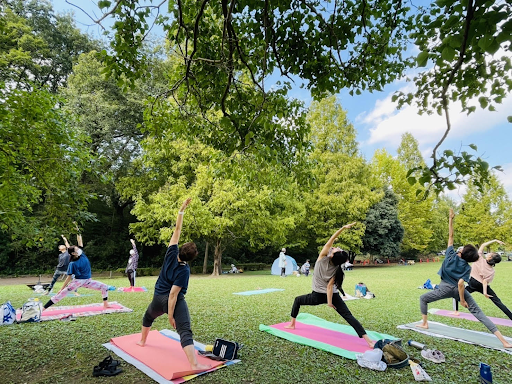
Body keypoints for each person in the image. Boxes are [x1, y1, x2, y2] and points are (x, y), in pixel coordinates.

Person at [417, 209, 512, 348]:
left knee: (423, 298)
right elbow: (461, 283)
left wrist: (451, 219)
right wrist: (462, 299)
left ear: (461, 252)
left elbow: (451, 235)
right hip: (457, 290)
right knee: (479, 314)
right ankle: (504, 341)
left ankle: (425, 323)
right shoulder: (468, 267)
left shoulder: (450, 255)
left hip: (445, 288)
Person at [137, 198, 210, 371]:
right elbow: (173, 295)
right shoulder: (184, 271)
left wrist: (182, 209)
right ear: (192, 258)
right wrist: (170, 316)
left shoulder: (171, 252)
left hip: (157, 298)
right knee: (184, 329)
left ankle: (142, 341)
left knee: (148, 316)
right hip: (171, 301)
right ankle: (195, 364)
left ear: (181, 249)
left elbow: (177, 229)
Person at [284, 223, 375, 348]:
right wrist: (330, 301)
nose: (335, 247)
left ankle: (292, 324)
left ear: (332, 255)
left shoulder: (322, 258)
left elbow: (331, 240)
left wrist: (343, 228)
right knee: (348, 316)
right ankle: (368, 341)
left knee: (297, 300)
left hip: (317, 296)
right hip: (333, 295)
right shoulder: (338, 267)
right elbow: (330, 287)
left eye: (336, 249)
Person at [43, 230, 112, 310]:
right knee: (60, 295)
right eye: (76, 249)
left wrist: (77, 230)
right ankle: (43, 309)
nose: (78, 249)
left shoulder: (82, 255)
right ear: (73, 254)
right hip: (77, 281)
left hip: (88, 280)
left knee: (104, 287)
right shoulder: (72, 264)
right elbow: (68, 277)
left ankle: (106, 304)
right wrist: (61, 289)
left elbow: (80, 241)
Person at [452, 239, 512, 320]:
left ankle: (456, 311)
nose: (489, 253)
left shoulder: (479, 257)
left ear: (490, 257)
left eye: (491, 254)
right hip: (481, 285)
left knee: (457, 292)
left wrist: (495, 240)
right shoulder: (492, 271)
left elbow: (483, 245)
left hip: (472, 282)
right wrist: (485, 292)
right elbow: (484, 281)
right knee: (497, 301)